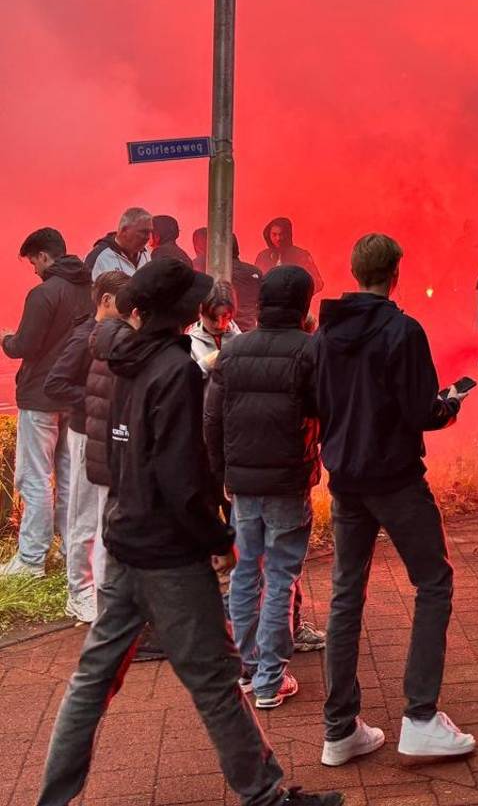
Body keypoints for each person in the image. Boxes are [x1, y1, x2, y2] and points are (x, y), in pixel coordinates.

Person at [35, 258, 342, 806]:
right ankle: (267, 797)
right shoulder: (174, 371)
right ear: (182, 312)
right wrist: (217, 540)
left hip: (124, 536)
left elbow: (121, 451)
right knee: (217, 681)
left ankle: (52, 799)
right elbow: (180, 476)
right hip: (168, 553)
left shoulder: (120, 358)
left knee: (93, 679)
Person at [314, 233, 474, 765]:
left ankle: (339, 730)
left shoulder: (326, 331)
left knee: (345, 595)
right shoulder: (403, 331)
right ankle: (421, 718)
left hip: (346, 481)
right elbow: (418, 412)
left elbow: (319, 401)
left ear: (355, 271)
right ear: (396, 273)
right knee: (433, 582)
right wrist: (447, 407)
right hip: (396, 480)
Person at [207, 265, 321, 710]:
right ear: (304, 306)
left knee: (244, 573)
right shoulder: (310, 352)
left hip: (242, 485)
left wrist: (222, 478)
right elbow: (324, 410)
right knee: (280, 577)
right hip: (289, 481)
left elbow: (211, 420)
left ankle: (249, 670)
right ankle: (271, 679)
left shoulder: (232, 352)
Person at [0, 229, 93, 578]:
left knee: (34, 477)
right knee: (68, 477)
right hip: (74, 395)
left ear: (43, 256)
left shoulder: (43, 293)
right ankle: (72, 553)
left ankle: (31, 559)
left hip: (40, 396)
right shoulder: (89, 289)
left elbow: (26, 345)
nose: (34, 270)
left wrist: (7, 339)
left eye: (33, 262)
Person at [44, 272, 132, 621]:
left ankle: (95, 591)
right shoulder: (84, 338)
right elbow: (55, 384)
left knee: (101, 517)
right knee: (82, 519)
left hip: (104, 436)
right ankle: (78, 593)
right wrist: (95, 401)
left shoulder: (114, 336)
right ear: (107, 300)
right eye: (124, 304)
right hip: (83, 435)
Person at [81, 273, 133, 591]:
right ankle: (106, 601)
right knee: (107, 530)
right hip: (109, 449)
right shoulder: (115, 342)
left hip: (105, 447)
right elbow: (59, 383)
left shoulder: (104, 339)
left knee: (107, 526)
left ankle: (108, 601)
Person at [255, 217, 325, 293]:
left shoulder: (301, 255)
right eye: (274, 235)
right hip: (268, 303)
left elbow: (317, 283)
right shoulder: (262, 257)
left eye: (281, 234)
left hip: (293, 303)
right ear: (269, 235)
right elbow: (255, 282)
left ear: (288, 234)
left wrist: (298, 296)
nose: (278, 238)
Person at [189, 281, 242, 379]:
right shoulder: (189, 344)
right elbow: (183, 383)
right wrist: (204, 365)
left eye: (226, 317)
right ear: (201, 312)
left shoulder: (240, 341)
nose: (219, 325)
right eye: (213, 318)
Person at [91, 207, 153, 279]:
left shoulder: (146, 254)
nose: (148, 237)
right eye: (143, 232)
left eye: (150, 232)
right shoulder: (99, 256)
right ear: (124, 230)